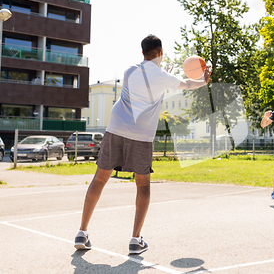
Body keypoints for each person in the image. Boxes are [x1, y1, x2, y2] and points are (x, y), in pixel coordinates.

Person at [74, 35, 211, 254]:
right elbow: (187, 84)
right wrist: (203, 79)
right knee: (143, 184)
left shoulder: (130, 72)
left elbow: (150, 76)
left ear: (142, 53)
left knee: (100, 178)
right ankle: (135, 240)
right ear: (160, 52)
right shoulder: (163, 76)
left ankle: (81, 232)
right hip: (141, 133)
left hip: (116, 126)